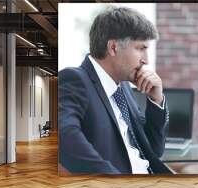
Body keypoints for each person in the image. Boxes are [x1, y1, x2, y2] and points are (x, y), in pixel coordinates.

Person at [58, 6, 172, 174]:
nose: (146, 61)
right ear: (113, 47)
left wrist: (156, 99)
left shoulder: (122, 86)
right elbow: (64, 135)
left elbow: (153, 150)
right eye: (141, 48)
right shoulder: (75, 79)